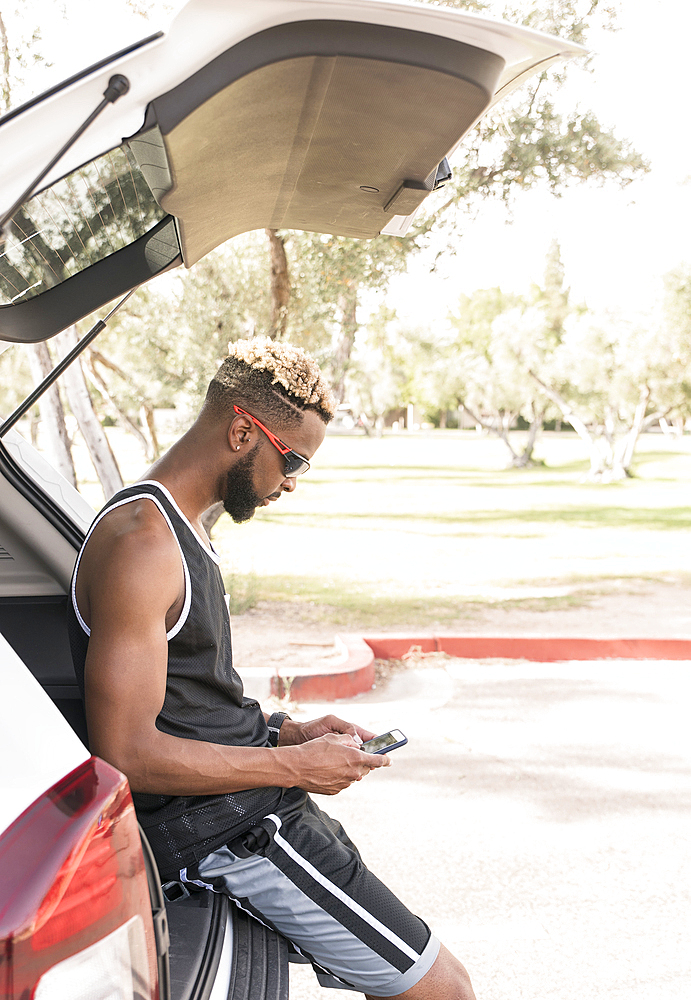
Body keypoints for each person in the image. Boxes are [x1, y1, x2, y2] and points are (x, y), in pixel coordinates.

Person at [67, 338, 476, 1000]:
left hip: (250, 803)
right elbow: (127, 753)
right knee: (446, 990)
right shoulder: (145, 544)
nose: (289, 481)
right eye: (292, 461)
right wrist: (292, 768)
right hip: (226, 829)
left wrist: (288, 732)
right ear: (239, 430)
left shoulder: (180, 528)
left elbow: (189, 701)